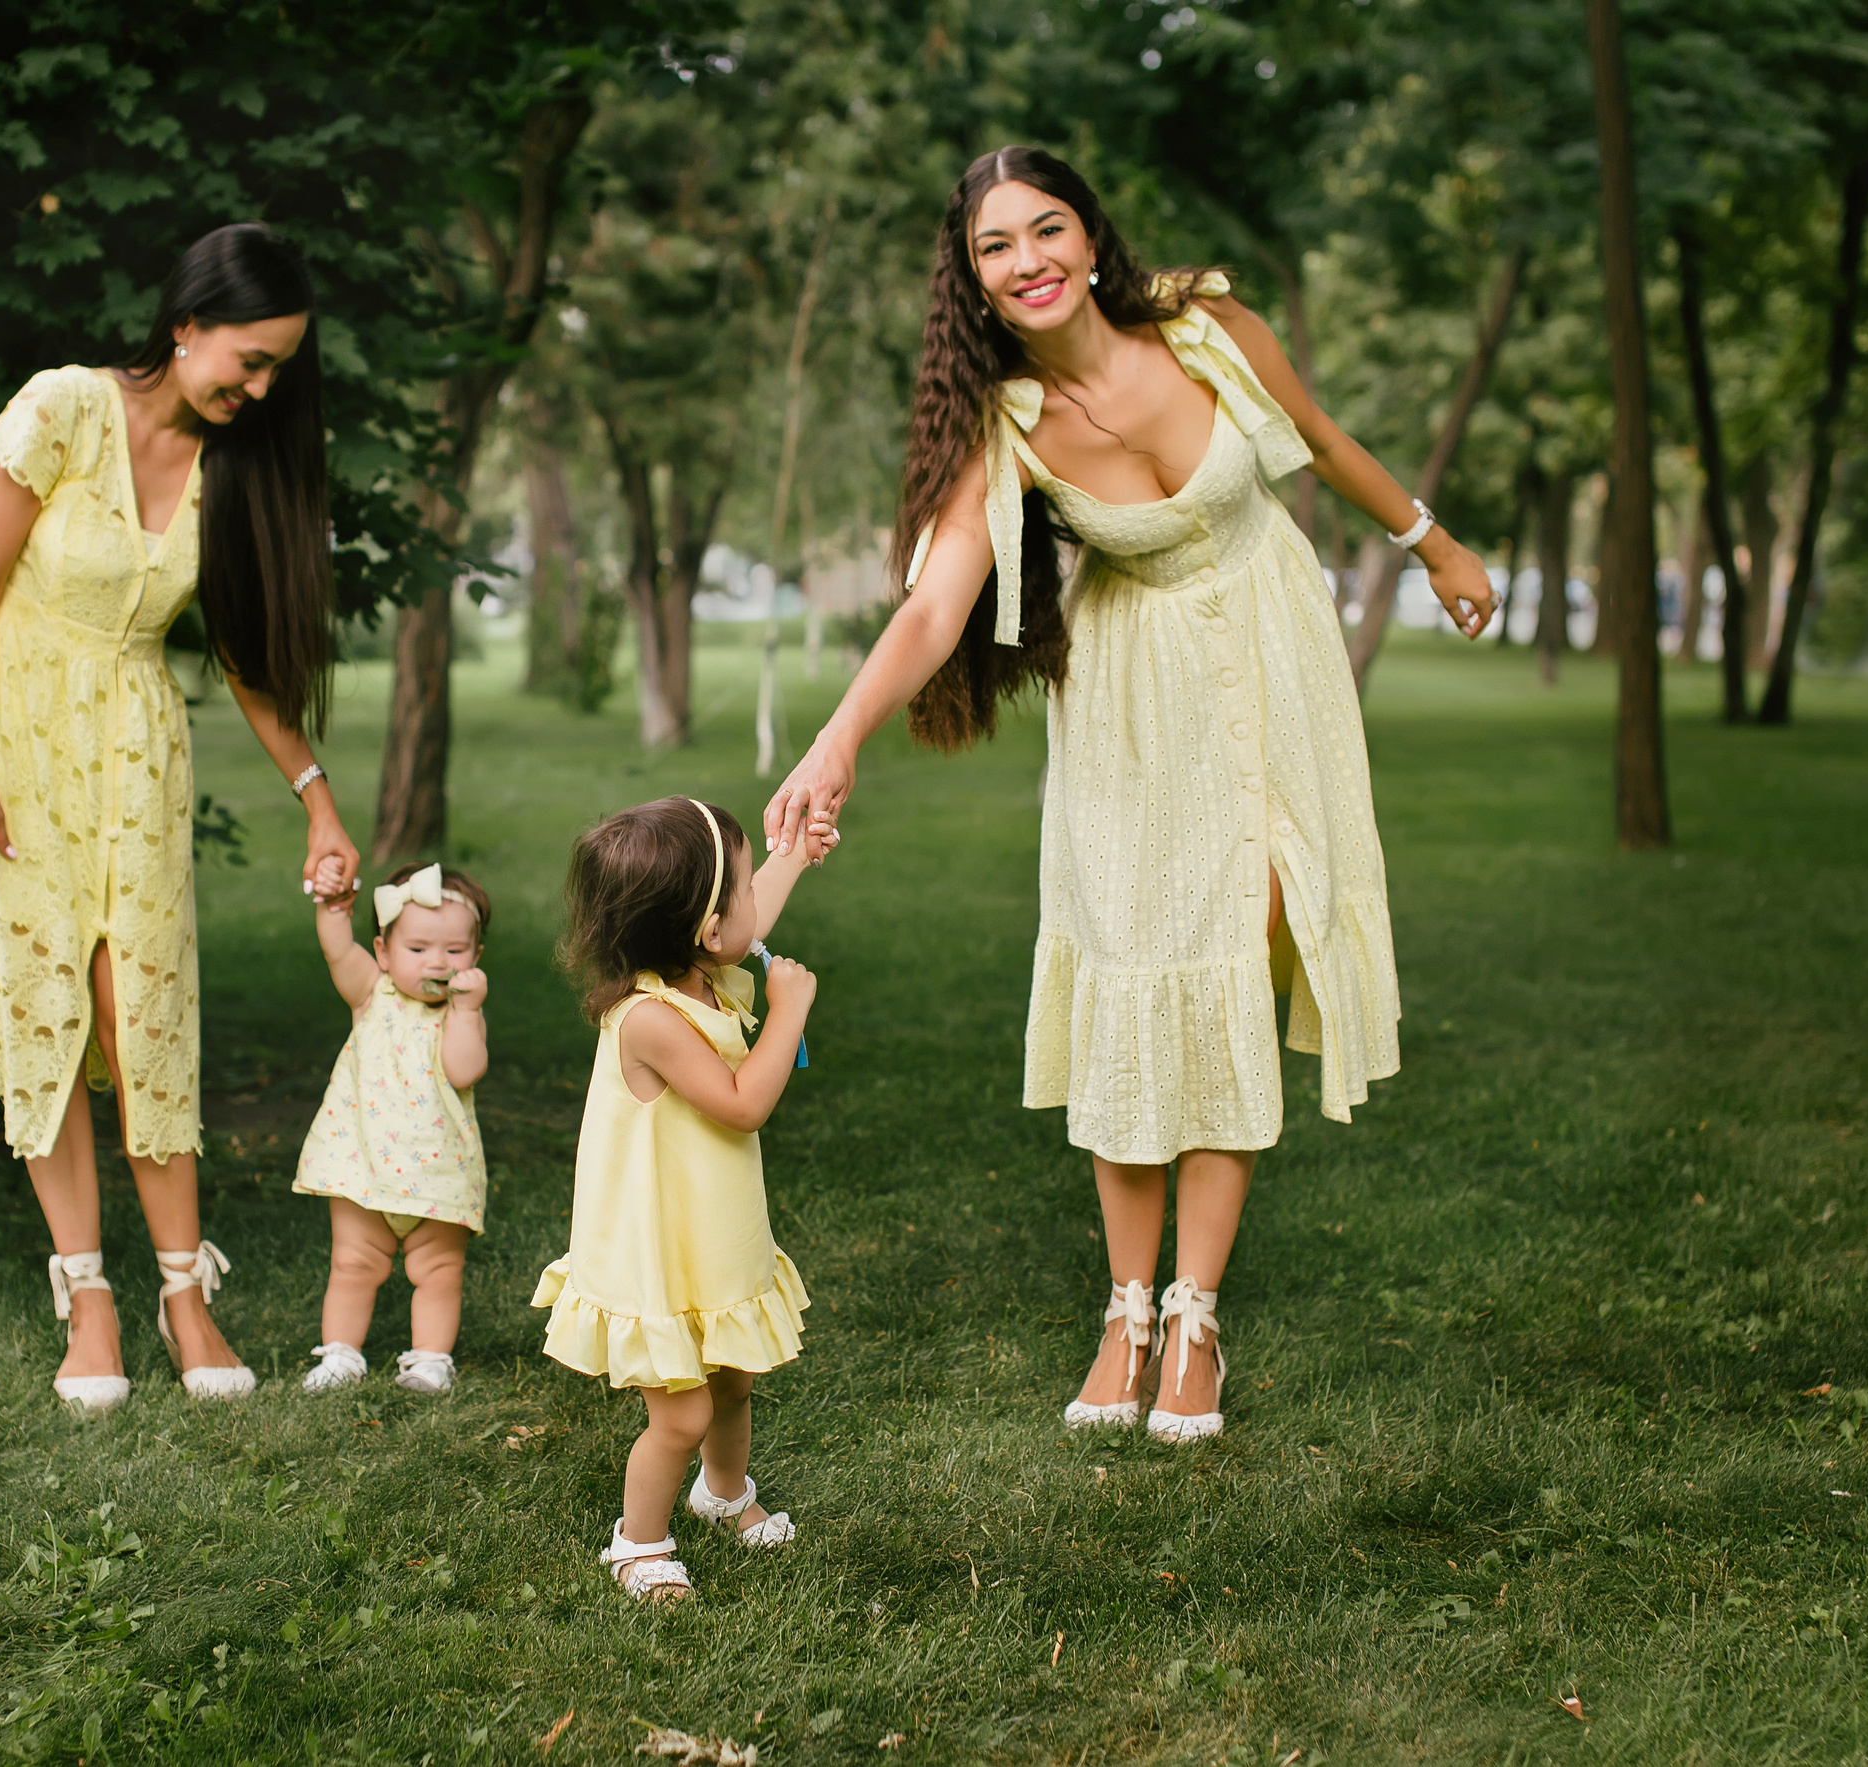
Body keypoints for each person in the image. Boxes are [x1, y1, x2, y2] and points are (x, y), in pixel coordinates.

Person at [765, 148, 1497, 1444]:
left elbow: (1318, 440)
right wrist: (836, 742)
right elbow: (938, 600)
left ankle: (1197, 1312)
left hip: (1274, 657)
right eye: (997, 246)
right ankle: (1125, 1307)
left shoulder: (1208, 327)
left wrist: (1430, 541)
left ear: (1091, 240)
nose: (1029, 259)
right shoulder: (1003, 422)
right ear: (975, 279)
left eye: (1047, 229)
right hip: (1135, 704)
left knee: (1238, 965)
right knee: (1141, 974)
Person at [0, 223, 359, 1412]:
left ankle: (183, 1297)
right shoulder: (59, 410)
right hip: (10, 741)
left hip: (136, 755)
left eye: (274, 374)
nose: (256, 391)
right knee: (48, 1005)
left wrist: (317, 802)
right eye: (246, 361)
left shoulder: (234, 466)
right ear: (186, 322)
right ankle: (88, 1298)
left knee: (138, 1013)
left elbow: (247, 661)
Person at [534, 798, 829, 1601]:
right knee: (682, 1415)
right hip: (654, 1251)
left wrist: (793, 853)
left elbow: (745, 917)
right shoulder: (652, 1018)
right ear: (704, 927)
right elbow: (741, 1102)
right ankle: (639, 1541)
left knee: (734, 1378)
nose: (750, 899)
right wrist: (790, 1011)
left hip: (711, 1233)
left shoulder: (700, 973)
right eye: (737, 885)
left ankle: (721, 1491)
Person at [291, 859, 492, 1397]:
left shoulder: (459, 1013)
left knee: (439, 1268)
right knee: (352, 1262)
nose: (438, 962)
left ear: (476, 958)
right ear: (383, 953)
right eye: (418, 949)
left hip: (438, 1172)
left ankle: (430, 1359)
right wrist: (333, 905)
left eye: (455, 951)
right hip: (363, 1165)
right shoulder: (370, 993)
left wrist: (469, 1012)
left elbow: (465, 1070)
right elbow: (337, 946)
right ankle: (340, 1354)